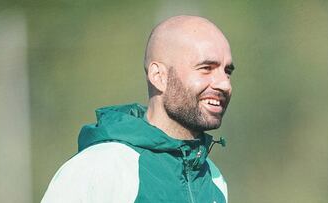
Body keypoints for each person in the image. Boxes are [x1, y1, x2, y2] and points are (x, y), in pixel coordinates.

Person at [41, 15, 235, 203]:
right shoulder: (99, 168)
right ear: (159, 76)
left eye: (227, 71)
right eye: (206, 68)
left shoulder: (213, 178)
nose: (225, 84)